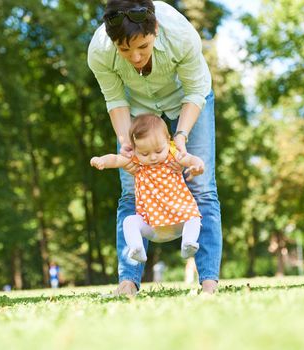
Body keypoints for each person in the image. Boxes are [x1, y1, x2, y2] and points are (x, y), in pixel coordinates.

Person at [88, 0, 223, 295]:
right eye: (124, 50)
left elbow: (196, 90)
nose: (135, 58)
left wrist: (181, 138)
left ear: (156, 30)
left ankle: (209, 281)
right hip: (136, 107)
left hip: (187, 99)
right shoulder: (99, 52)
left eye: (143, 47)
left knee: (202, 188)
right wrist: (126, 144)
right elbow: (116, 100)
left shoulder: (181, 36)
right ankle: (128, 281)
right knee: (129, 191)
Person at [91, 114, 205, 262]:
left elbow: (190, 159)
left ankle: (188, 244)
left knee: (195, 217)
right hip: (151, 225)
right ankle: (137, 248)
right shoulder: (136, 161)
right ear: (135, 149)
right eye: (144, 153)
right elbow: (115, 159)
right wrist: (102, 160)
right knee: (129, 221)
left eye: (158, 151)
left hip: (179, 220)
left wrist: (198, 165)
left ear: (168, 140)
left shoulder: (173, 154)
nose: (152, 157)